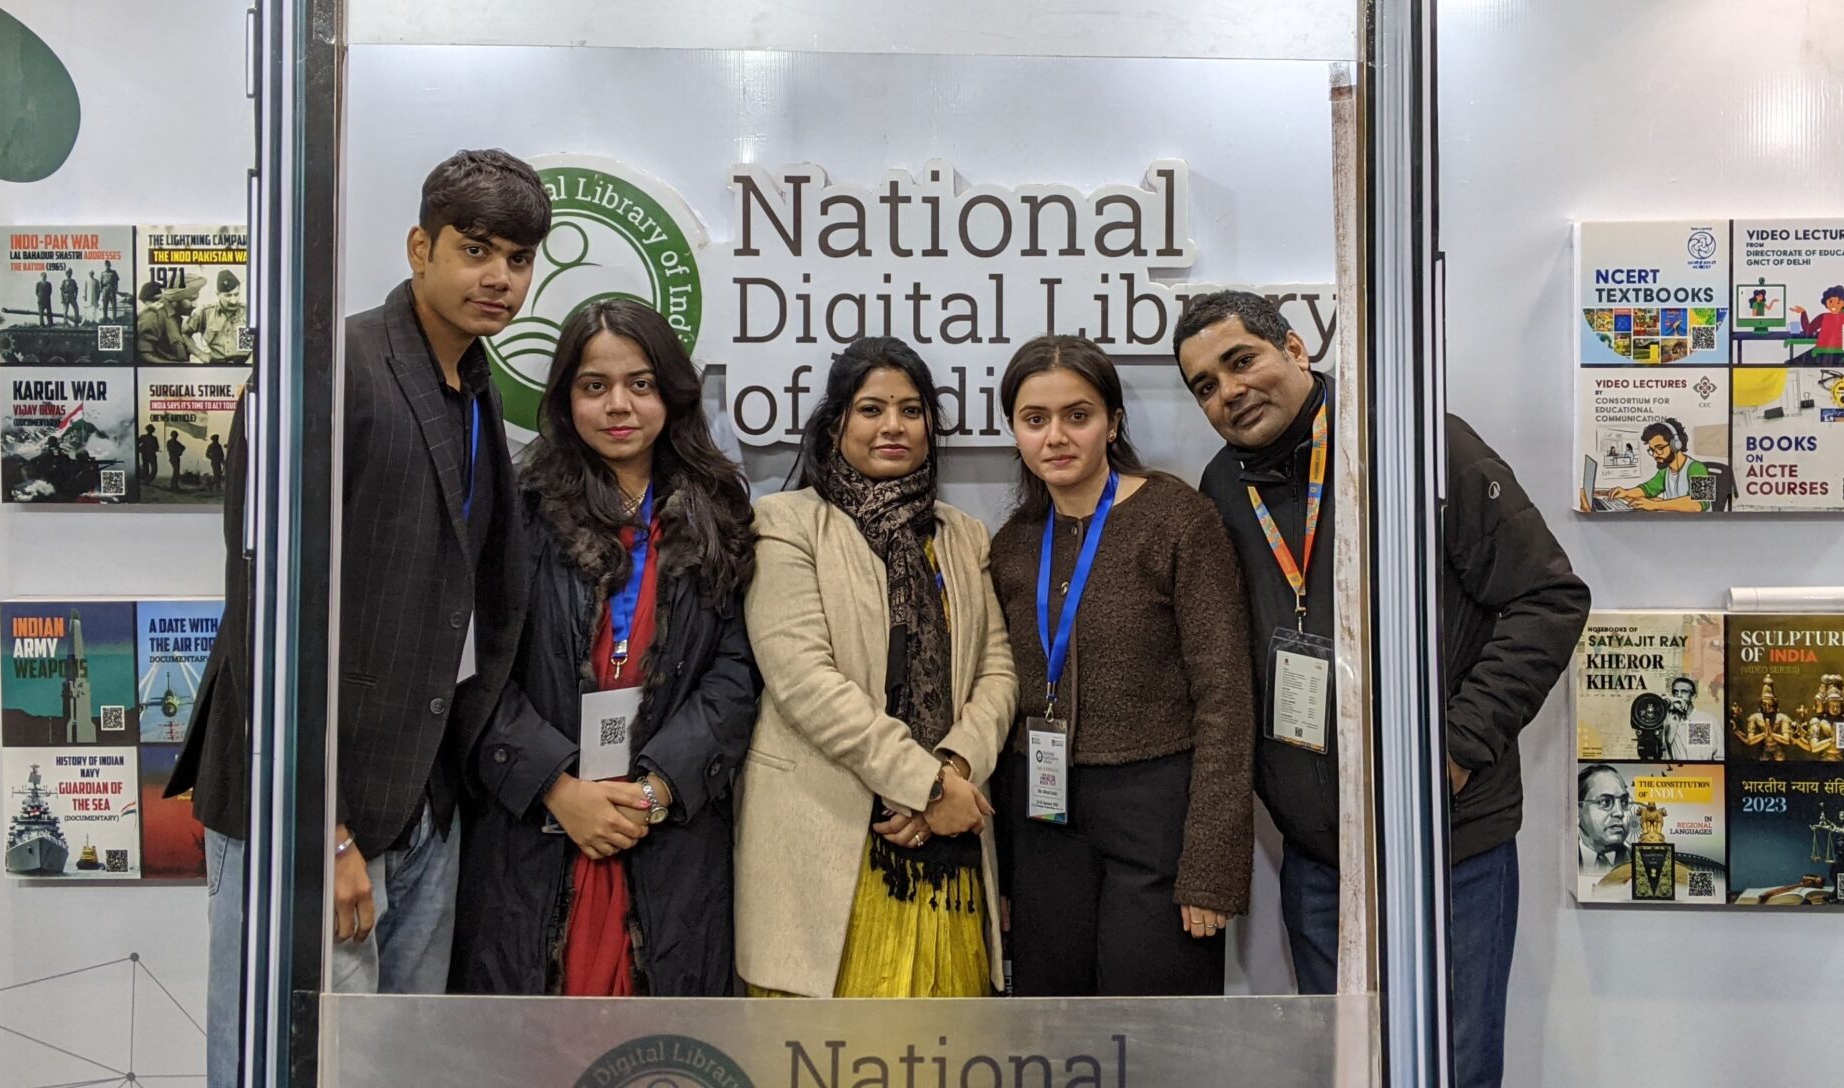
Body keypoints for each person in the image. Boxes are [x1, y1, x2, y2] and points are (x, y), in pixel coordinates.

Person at [167, 149, 548, 1088]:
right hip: (311, 809)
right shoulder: (325, 369)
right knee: (288, 1068)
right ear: (421, 248)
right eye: (475, 250)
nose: (500, 278)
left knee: (394, 1067)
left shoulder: (475, 385)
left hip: (423, 803)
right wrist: (322, 830)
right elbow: (265, 615)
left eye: (518, 259)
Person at [1173, 291, 1587, 1088]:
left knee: (1455, 1070)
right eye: (1204, 386)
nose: (1228, 392)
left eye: (1240, 361)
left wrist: (1456, 748)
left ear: (1296, 348)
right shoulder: (1223, 487)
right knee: (1346, 1072)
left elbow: (1548, 600)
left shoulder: (1421, 446)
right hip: (1318, 858)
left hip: (1446, 845)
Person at [452, 299, 759, 996]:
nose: (619, 405)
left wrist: (657, 789)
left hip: (669, 832)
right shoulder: (515, 510)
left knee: (662, 1043)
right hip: (536, 830)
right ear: (566, 399)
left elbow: (738, 672)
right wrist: (556, 788)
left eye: (640, 384)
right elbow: (475, 665)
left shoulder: (719, 513)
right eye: (595, 386)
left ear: (671, 394)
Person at [735, 337, 1017, 998]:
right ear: (836, 425)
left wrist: (952, 772)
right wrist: (925, 785)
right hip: (824, 834)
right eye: (872, 409)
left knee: (945, 1045)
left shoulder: (963, 534)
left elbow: (998, 672)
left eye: (910, 410)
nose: (893, 425)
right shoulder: (785, 524)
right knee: (820, 1047)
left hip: (947, 847)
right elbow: (805, 682)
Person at [985, 335, 1253, 996]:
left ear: (1113, 422)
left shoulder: (1178, 521)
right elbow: (998, 701)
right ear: (1015, 430)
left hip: (1157, 813)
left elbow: (1225, 697)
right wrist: (1005, 874)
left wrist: (1212, 866)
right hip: (1043, 818)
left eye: (1077, 415)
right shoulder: (1013, 544)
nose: (1056, 436)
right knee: (1053, 1025)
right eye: (1035, 419)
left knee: (1156, 1029)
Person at [1574, 765, 1631, 895]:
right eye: (1605, 802)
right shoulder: (1562, 859)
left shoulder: (1641, 862)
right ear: (1577, 810)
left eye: (1624, 802)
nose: (1619, 812)